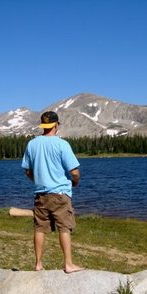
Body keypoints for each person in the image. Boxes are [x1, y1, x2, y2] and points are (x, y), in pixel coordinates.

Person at [21, 111, 84, 273]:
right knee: (64, 228)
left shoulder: (32, 144)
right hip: (60, 194)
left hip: (40, 194)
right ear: (56, 125)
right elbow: (75, 172)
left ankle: (38, 264)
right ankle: (68, 264)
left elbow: (27, 171)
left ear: (43, 125)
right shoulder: (62, 144)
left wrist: (38, 181)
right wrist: (74, 183)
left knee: (40, 228)